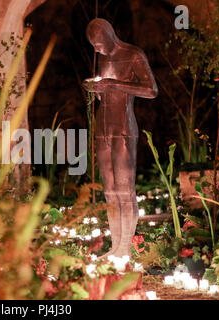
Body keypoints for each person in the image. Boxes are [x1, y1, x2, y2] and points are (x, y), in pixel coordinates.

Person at [83, 18, 158, 259]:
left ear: (109, 35)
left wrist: (114, 84)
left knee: (125, 190)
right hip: (102, 127)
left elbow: (151, 90)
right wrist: (97, 90)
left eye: (98, 43)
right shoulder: (103, 58)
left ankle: (125, 246)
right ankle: (115, 246)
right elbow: (107, 94)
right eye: (93, 46)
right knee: (110, 190)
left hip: (124, 128)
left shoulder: (133, 54)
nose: (96, 49)